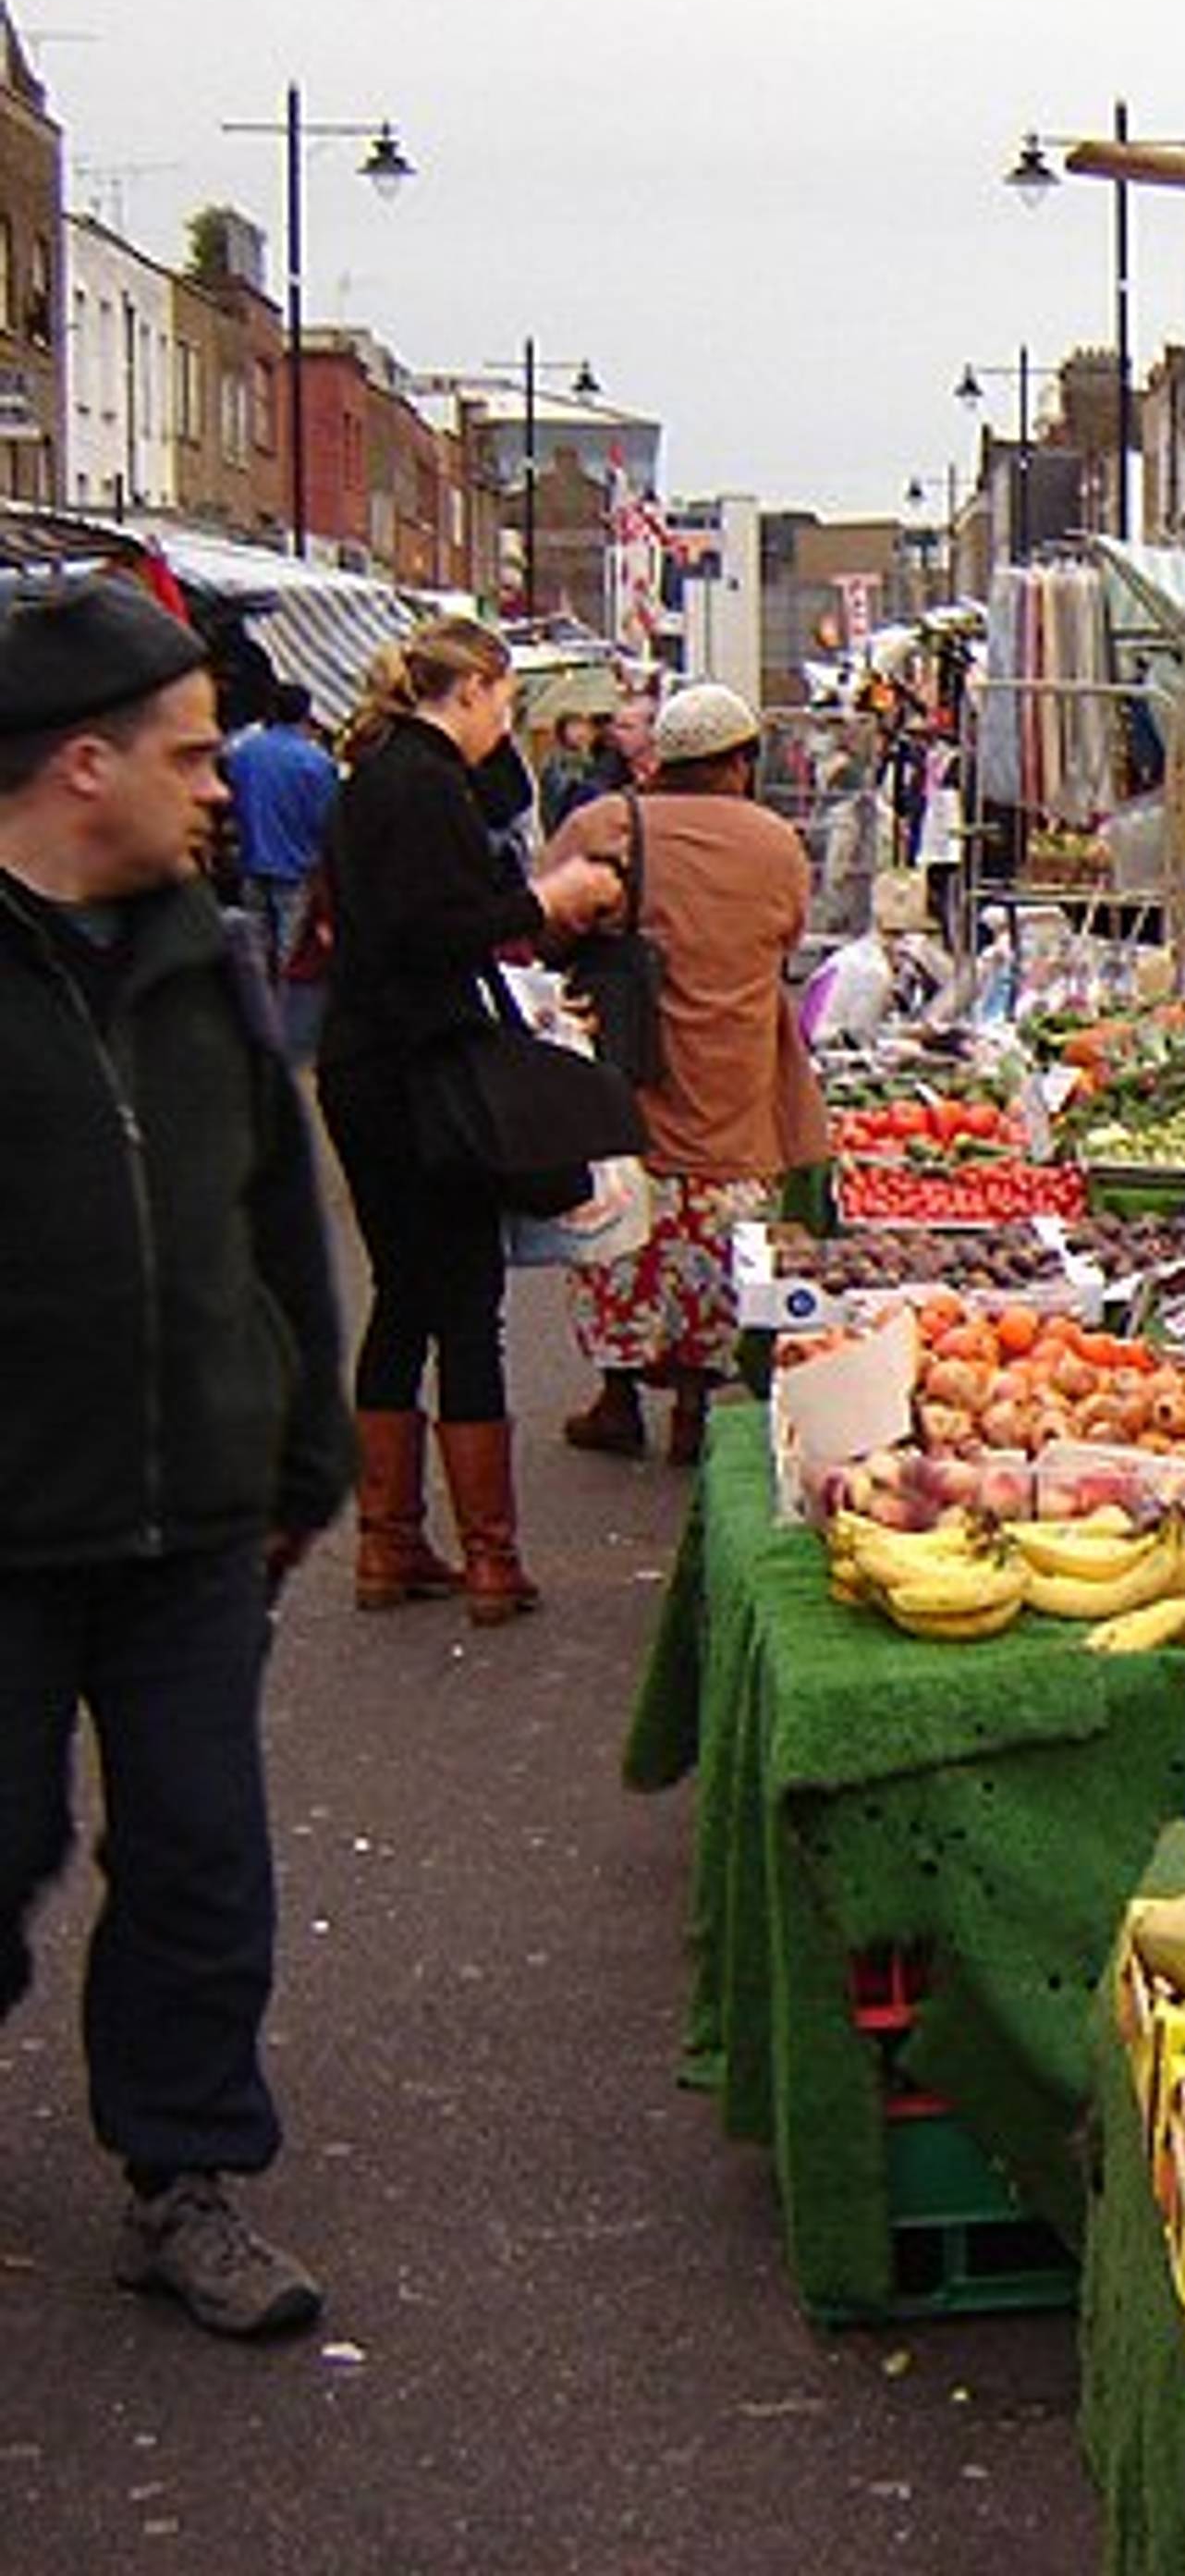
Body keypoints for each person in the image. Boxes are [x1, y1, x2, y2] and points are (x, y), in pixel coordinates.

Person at [0, 578, 354, 2337]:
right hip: (12, 1515)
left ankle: (184, 2181)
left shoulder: (200, 963)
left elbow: (278, 1229)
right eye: (192, 753)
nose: (224, 786)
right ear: (84, 766)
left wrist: (301, 1456)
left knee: (202, 1859)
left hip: (193, 1520)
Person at [315, 619, 623, 1625]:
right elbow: (439, 927)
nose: (509, 722)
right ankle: (492, 1559)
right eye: (504, 702)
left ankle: (387, 1544)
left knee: (404, 1299)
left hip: (365, 1067)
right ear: (477, 688)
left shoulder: (382, 777)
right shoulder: (419, 786)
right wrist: (552, 896)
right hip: (425, 1075)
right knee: (464, 1306)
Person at [540, 682, 829, 1465]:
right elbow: (787, 936)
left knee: (622, 1236)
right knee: (718, 1236)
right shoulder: (774, 842)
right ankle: (697, 1403)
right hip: (737, 1075)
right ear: (739, 760)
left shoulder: (605, 824)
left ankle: (618, 1395)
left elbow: (544, 920)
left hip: (626, 1070)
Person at [223, 681, 336, 988]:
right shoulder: (317, 762)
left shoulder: (244, 752)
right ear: (306, 714)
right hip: (298, 869)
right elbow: (326, 821)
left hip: (252, 861)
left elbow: (232, 802)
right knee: (292, 959)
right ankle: (283, 1025)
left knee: (253, 956)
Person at [534, 707, 606, 833]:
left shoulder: (593, 757)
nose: (581, 733)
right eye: (574, 726)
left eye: (582, 727)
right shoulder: (556, 762)